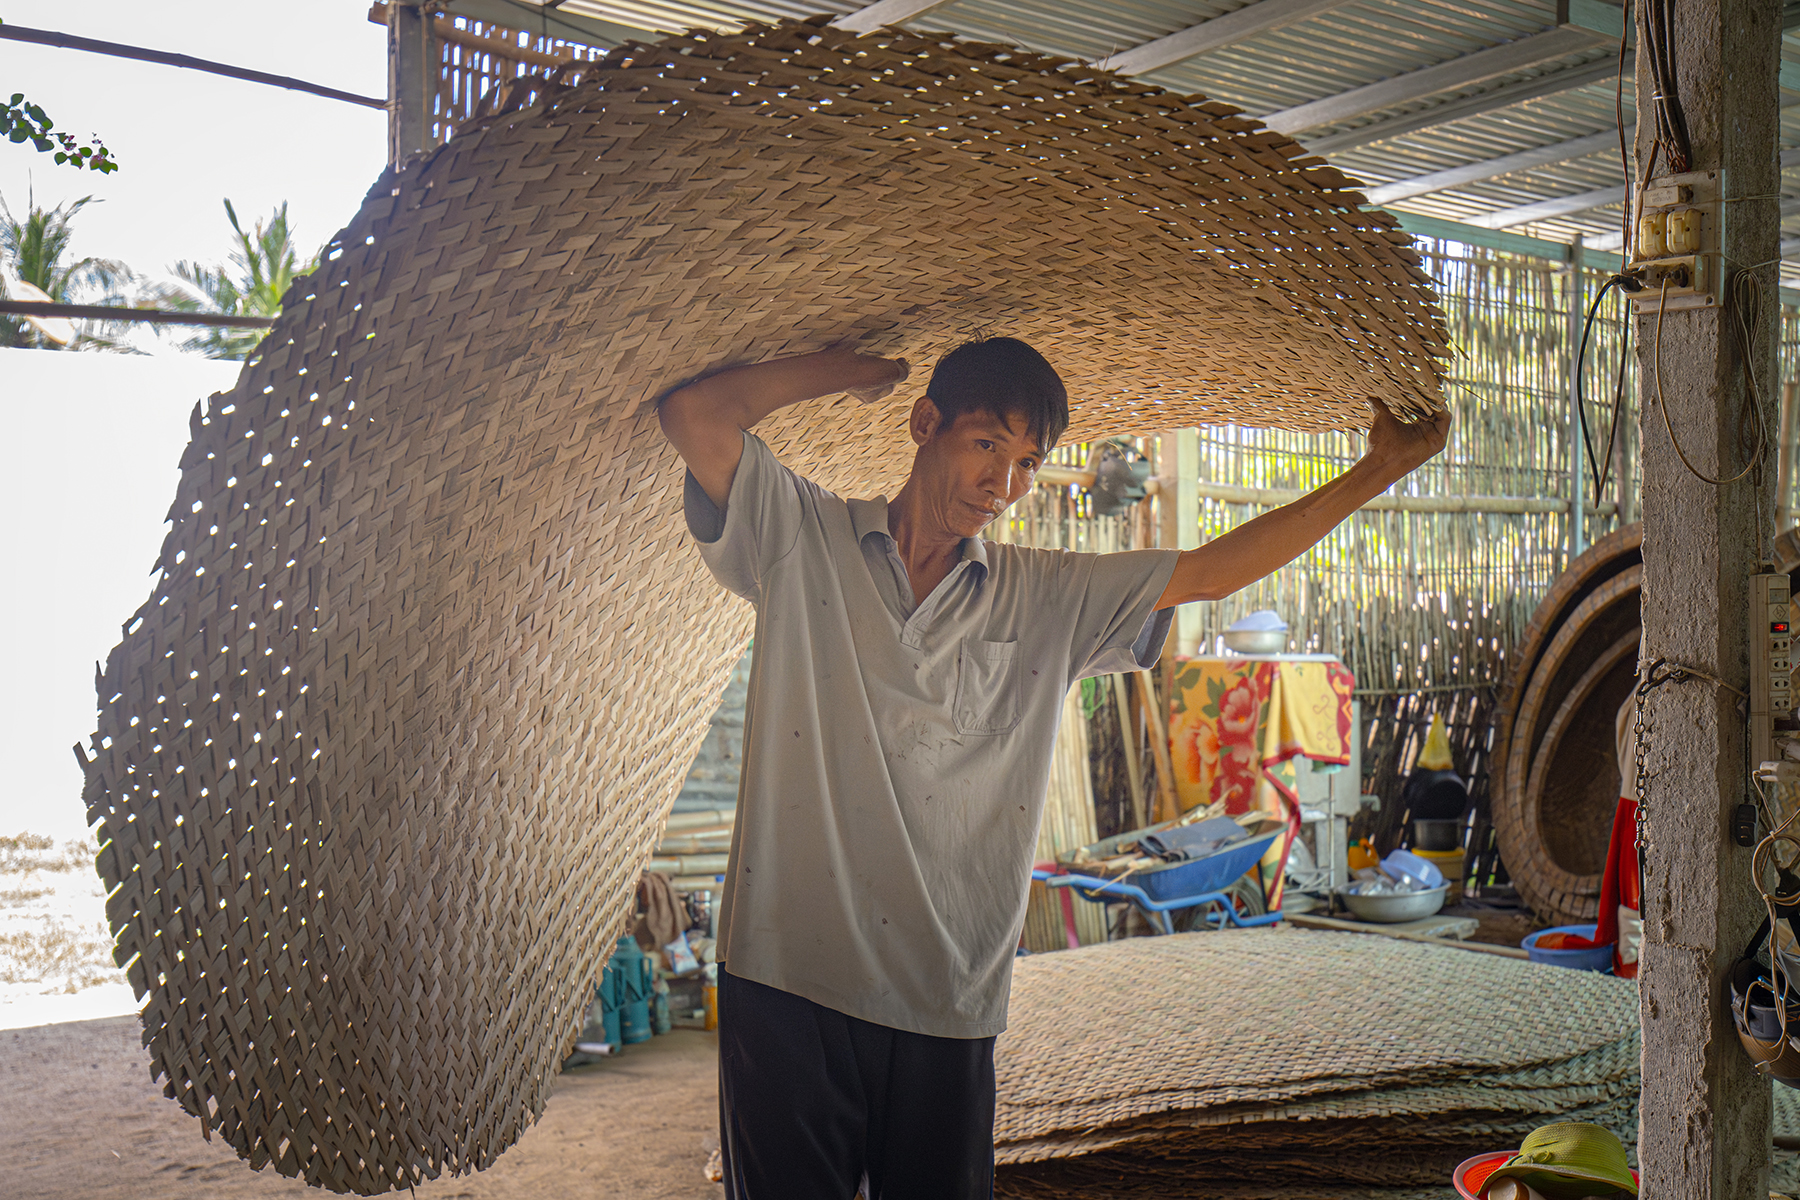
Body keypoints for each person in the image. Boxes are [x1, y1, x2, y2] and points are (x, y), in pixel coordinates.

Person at [657, 338, 1449, 1200]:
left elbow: (1213, 573)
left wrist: (1379, 469)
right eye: (987, 445)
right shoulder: (802, 535)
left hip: (944, 990)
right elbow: (696, 414)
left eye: (1029, 461)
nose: (1004, 483)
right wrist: (851, 373)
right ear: (926, 424)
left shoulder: (1046, 595)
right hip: (786, 972)